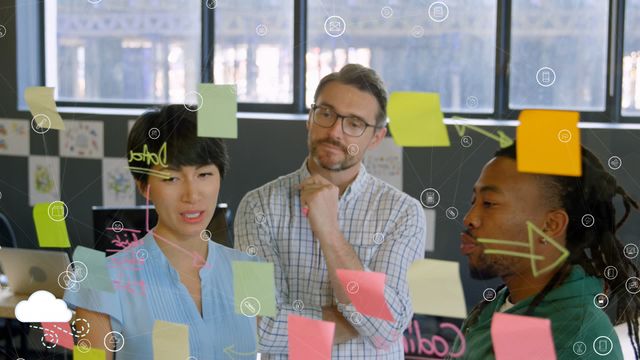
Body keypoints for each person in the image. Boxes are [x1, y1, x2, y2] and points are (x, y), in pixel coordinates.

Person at [234, 64, 427, 359]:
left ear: (376, 137)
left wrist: (329, 232)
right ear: (311, 118)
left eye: (355, 123)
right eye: (326, 113)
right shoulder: (258, 206)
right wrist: (354, 323)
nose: (335, 131)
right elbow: (257, 327)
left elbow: (388, 329)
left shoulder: (402, 214)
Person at [64, 105, 257, 359]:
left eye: (204, 174)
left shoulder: (252, 270)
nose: (192, 195)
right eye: (171, 178)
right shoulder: (98, 283)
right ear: (145, 186)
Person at [453, 142, 640, 359]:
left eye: (489, 203)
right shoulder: (494, 309)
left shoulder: (573, 338)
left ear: (550, 225)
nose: (469, 218)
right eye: (473, 201)